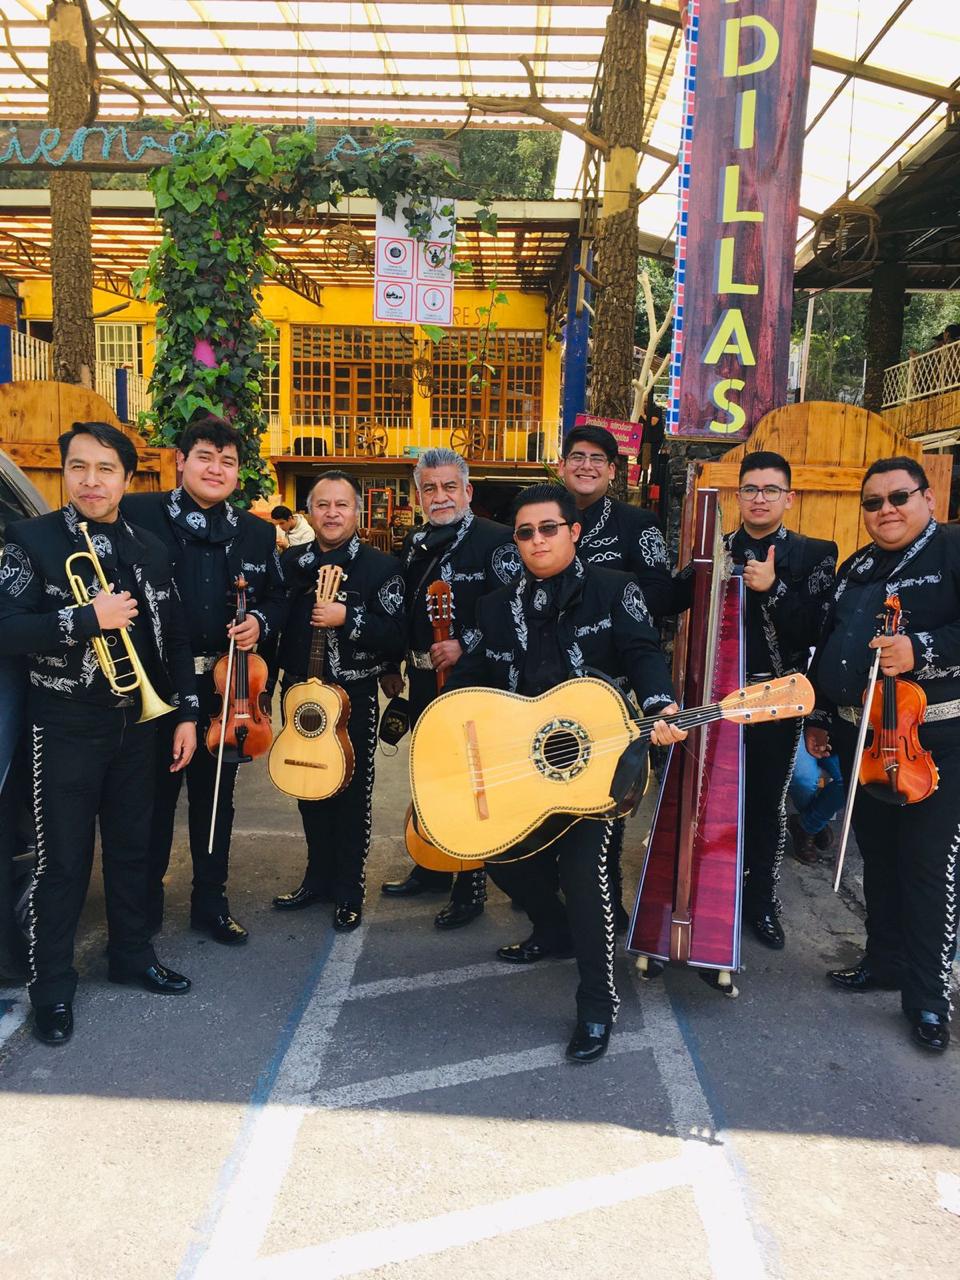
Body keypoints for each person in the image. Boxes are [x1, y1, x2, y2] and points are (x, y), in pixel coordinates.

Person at [445, 483, 686, 1062]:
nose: (535, 541)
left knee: (586, 875)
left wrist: (660, 704)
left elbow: (643, 653)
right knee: (499, 856)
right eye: (524, 532)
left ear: (574, 533)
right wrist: (449, 738)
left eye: (548, 528)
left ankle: (597, 1006)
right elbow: (473, 680)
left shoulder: (615, 589)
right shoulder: (495, 606)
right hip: (522, 763)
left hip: (597, 761)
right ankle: (551, 929)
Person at [0, 421, 198, 1045]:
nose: (91, 481)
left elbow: (178, 637)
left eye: (105, 469)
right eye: (79, 467)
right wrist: (86, 617)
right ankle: (52, 988)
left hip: (139, 724)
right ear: (64, 473)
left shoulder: (151, 548)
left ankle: (131, 955)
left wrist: (186, 712)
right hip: (63, 725)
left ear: (127, 479)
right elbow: (6, 626)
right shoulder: (27, 540)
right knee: (63, 862)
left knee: (133, 849)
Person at [807, 456, 960, 1054]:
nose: (886, 509)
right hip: (863, 739)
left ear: (926, 497)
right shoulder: (858, 565)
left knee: (926, 867)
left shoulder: (951, 548)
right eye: (873, 502)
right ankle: (885, 960)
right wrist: (821, 718)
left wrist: (919, 648)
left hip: (935, 741)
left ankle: (928, 997)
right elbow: (832, 643)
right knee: (880, 857)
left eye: (899, 496)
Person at [123, 416, 286, 945]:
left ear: (239, 472)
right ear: (181, 460)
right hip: (159, 688)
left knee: (215, 801)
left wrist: (260, 621)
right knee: (152, 801)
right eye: (205, 457)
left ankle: (210, 902)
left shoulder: (259, 533)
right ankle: (142, 905)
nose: (216, 469)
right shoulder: (140, 514)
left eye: (228, 461)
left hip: (228, 693)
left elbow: (279, 599)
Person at [379, 448, 522, 928]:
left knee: (469, 779)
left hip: (475, 681)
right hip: (421, 678)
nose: (439, 497)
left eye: (448, 487)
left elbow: (512, 606)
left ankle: (470, 883)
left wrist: (468, 644)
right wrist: (393, 662)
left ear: (467, 491)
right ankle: (432, 866)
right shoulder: (416, 541)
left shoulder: (497, 541)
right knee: (430, 772)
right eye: (429, 489)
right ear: (419, 496)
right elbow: (406, 610)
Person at [271, 472, 405, 930]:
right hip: (299, 692)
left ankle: (348, 887)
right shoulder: (292, 564)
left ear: (357, 512)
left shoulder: (380, 567)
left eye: (342, 505)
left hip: (353, 694)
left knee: (349, 792)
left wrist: (348, 617)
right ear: (310, 512)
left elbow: (396, 633)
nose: (332, 513)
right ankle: (317, 879)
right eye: (322, 505)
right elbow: (275, 624)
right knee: (307, 787)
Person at [725, 451, 837, 950]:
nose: (760, 498)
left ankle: (762, 903)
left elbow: (817, 629)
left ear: (789, 498)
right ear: (738, 495)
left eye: (771, 490)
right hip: (718, 699)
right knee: (719, 804)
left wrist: (774, 589)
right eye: (751, 489)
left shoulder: (815, 553)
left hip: (778, 697)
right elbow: (673, 600)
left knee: (767, 806)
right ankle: (716, 896)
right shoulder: (717, 547)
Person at [557, 423, 676, 621]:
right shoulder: (538, 517)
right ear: (562, 466)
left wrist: (603, 611)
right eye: (578, 457)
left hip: (611, 644)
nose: (586, 466)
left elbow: (660, 594)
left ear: (611, 470)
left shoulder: (638, 523)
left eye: (597, 459)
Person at [787, 736, 844, 865]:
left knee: (851, 780)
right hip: (799, 727)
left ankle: (807, 825)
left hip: (837, 731)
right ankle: (813, 823)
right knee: (804, 780)